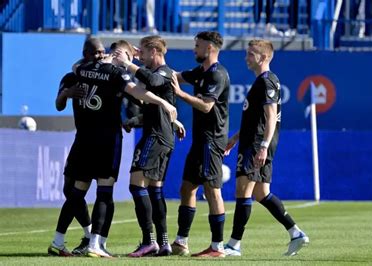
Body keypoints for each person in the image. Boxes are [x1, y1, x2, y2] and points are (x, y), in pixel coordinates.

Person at [48, 37, 177, 258]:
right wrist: (163, 102)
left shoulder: (81, 69)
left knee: (77, 191)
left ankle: (58, 241)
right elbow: (138, 93)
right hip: (106, 139)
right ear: (123, 56)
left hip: (84, 139)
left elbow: (76, 67)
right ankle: (95, 243)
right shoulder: (116, 75)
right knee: (104, 191)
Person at [222, 39, 309, 257]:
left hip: (257, 144)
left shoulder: (267, 81)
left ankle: (234, 244)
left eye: (251, 54)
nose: (246, 58)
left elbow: (271, 117)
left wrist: (262, 146)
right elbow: (257, 119)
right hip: (254, 141)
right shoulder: (263, 81)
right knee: (262, 193)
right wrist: (234, 138)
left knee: (243, 191)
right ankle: (295, 232)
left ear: (263, 57)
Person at [113, 35, 185, 257]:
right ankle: (163, 242)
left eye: (143, 52)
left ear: (154, 52)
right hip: (161, 135)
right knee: (155, 189)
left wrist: (127, 64)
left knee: (136, 185)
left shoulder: (164, 73)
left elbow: (152, 82)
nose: (140, 56)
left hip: (156, 137)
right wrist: (132, 122)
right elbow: (152, 111)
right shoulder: (158, 74)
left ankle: (148, 241)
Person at [170, 31, 229, 258]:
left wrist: (179, 94)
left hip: (212, 141)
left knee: (212, 190)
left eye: (198, 45)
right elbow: (174, 76)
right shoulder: (200, 72)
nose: (195, 48)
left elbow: (206, 106)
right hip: (200, 140)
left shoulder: (217, 74)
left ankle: (217, 247)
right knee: (187, 188)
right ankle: (182, 242)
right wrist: (138, 65)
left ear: (210, 48)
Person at [48, 72, 91, 257]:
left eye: (100, 52)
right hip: (81, 139)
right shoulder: (72, 77)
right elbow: (58, 105)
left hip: (100, 140)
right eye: (94, 52)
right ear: (86, 53)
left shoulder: (108, 75)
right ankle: (90, 237)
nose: (99, 55)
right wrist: (67, 93)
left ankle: (92, 239)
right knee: (69, 190)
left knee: (85, 190)